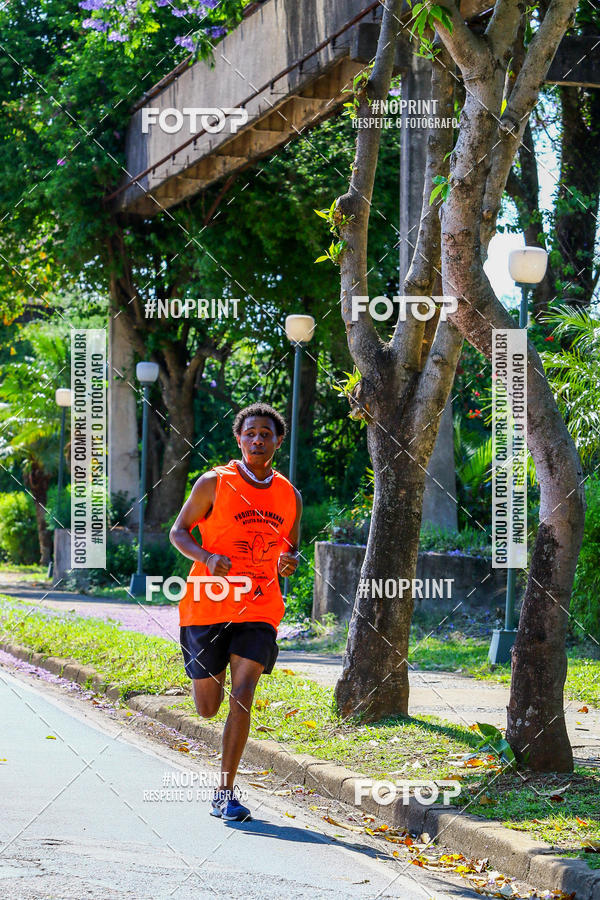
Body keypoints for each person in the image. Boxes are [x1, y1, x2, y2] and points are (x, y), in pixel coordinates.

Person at [169, 403, 302, 822]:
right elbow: (178, 532)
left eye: (266, 433)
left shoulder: (289, 494)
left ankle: (224, 793)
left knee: (243, 694)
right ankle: (202, 672)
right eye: (251, 433)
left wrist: (290, 560)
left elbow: (290, 547)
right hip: (207, 604)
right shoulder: (214, 482)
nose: (258, 439)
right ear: (239, 439)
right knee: (208, 708)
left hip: (259, 605)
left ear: (278, 441)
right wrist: (207, 557)